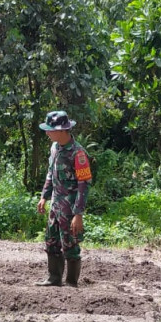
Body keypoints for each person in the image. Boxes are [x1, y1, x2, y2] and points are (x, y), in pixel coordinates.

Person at [35, 110, 93, 287]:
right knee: (51, 241)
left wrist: (78, 214)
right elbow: (50, 174)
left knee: (71, 245)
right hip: (55, 205)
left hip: (70, 209)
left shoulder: (78, 154)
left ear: (61, 130)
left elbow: (84, 184)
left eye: (50, 130)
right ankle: (54, 278)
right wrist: (44, 196)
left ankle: (71, 282)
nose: (47, 133)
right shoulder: (54, 148)